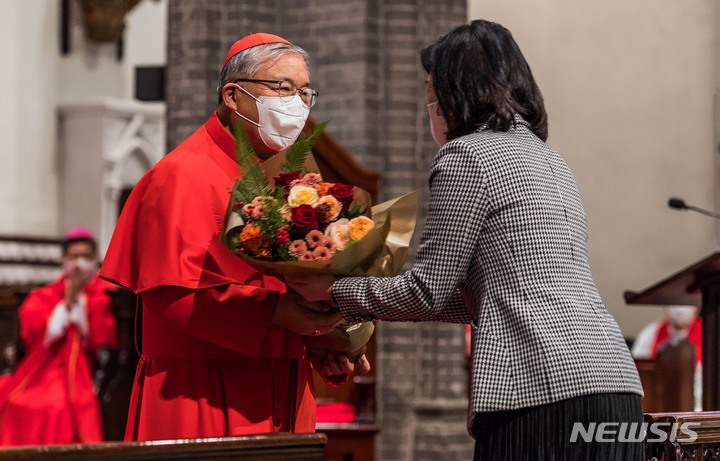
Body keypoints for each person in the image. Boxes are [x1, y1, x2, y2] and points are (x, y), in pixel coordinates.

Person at [288, 20, 644, 460]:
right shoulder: (551, 160)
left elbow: (427, 292)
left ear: (450, 95)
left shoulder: (467, 155)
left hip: (540, 384)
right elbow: (499, 294)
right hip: (615, 383)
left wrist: (335, 290)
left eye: (429, 90)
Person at [99, 32, 368, 442]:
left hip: (278, 385)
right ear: (232, 95)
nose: (296, 103)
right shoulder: (181, 174)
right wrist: (277, 315)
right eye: (282, 88)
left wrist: (316, 337)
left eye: (305, 92)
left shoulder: (269, 177)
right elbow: (171, 295)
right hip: (202, 392)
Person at [0, 227, 117, 446]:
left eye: (86, 257)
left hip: (81, 369)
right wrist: (67, 303)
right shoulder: (44, 295)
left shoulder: (104, 295)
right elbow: (34, 336)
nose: (79, 263)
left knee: (53, 406)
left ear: (95, 260)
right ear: (63, 259)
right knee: (12, 399)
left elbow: (103, 340)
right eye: (73, 257)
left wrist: (79, 303)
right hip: (45, 367)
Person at [632, 305, 702, 410]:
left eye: (684, 303)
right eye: (675, 303)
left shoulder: (711, 332)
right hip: (657, 405)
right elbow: (636, 373)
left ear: (697, 306)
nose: (679, 309)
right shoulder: (651, 333)